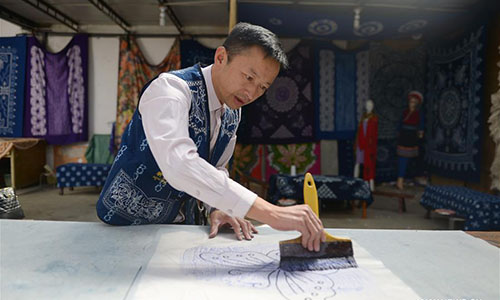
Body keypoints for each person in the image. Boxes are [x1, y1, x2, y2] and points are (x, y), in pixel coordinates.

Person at [96, 23, 325, 252]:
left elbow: (215, 169)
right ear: (221, 57)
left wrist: (218, 207)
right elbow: (180, 164)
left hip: (179, 229)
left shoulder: (234, 110)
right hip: (127, 225)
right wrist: (271, 213)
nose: (251, 93)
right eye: (248, 77)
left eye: (262, 88)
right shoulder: (171, 91)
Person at [396, 91, 424, 190]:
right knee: (402, 158)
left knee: (410, 160)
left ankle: (408, 178)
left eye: (413, 102)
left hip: (412, 138)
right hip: (404, 137)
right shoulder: (404, 112)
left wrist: (420, 134)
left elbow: (421, 125)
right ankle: (400, 180)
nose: (411, 103)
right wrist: (399, 132)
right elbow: (399, 124)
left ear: (416, 103)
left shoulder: (418, 114)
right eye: (410, 101)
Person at [354, 99, 378, 191]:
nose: (368, 107)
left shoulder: (374, 119)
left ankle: (370, 184)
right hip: (361, 143)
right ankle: (355, 180)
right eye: (367, 105)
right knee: (357, 163)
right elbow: (359, 131)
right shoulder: (363, 117)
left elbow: (374, 134)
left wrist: (372, 145)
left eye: (370, 105)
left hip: (369, 145)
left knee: (369, 164)